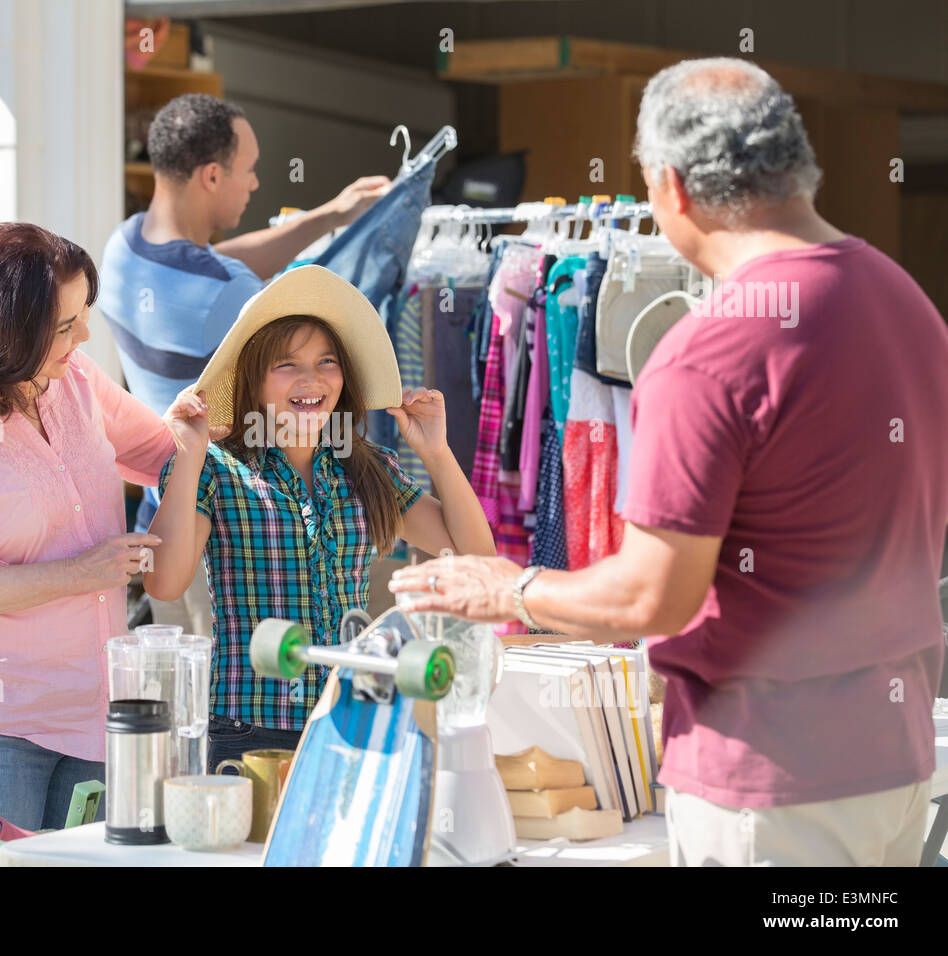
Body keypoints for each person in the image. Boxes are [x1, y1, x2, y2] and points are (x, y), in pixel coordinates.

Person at [391, 57, 948, 866]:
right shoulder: (907, 302)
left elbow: (653, 594)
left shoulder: (712, 349)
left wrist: (507, 586)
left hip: (770, 784)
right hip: (893, 767)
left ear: (673, 188)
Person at [0, 222, 198, 830]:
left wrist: (219, 424)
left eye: (84, 314)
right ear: (6, 333)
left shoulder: (78, 380)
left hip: (95, 713)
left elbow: (165, 452)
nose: (83, 336)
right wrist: (81, 573)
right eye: (63, 327)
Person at [143, 265, 495, 767]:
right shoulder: (214, 469)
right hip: (248, 732)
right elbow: (164, 583)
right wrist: (190, 454)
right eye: (287, 364)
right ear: (252, 378)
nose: (312, 379)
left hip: (353, 719)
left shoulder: (368, 467)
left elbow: (475, 556)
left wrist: (437, 452)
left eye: (327, 361)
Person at [98, 93, 391, 637]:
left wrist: (328, 215)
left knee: (188, 706)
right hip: (228, 535)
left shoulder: (125, 246)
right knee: (254, 704)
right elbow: (271, 303)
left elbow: (222, 262)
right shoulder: (229, 295)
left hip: (163, 521)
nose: (255, 184)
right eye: (249, 171)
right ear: (212, 176)